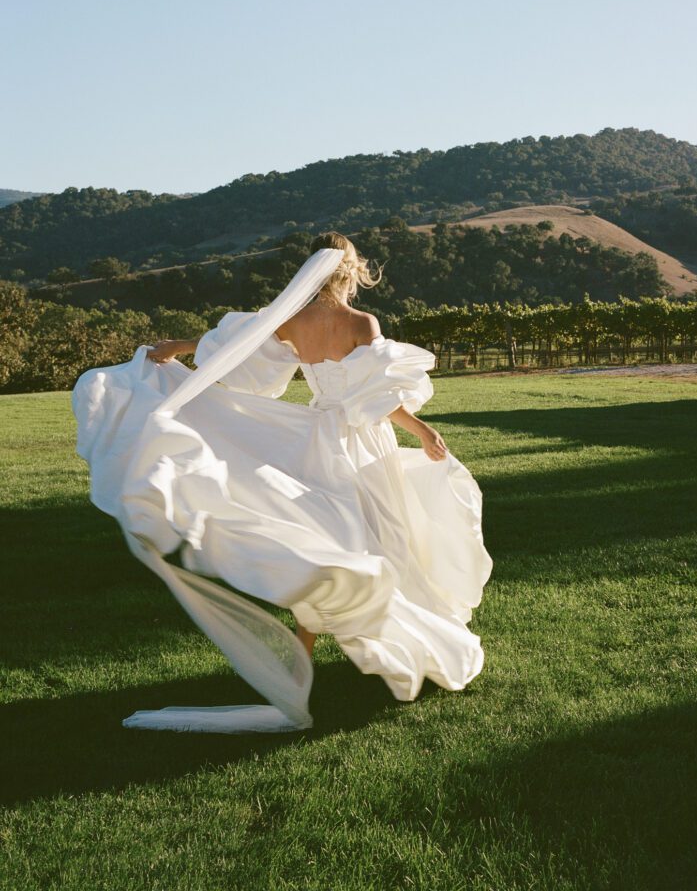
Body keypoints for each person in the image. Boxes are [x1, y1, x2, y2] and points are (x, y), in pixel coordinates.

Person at [72, 232, 493, 733]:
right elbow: (375, 399)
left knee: (327, 542)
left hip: (318, 438)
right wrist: (422, 431)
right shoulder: (362, 323)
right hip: (362, 443)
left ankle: (304, 663)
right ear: (351, 271)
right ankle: (398, 639)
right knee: (385, 536)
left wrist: (176, 347)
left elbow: (233, 348)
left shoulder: (290, 319)